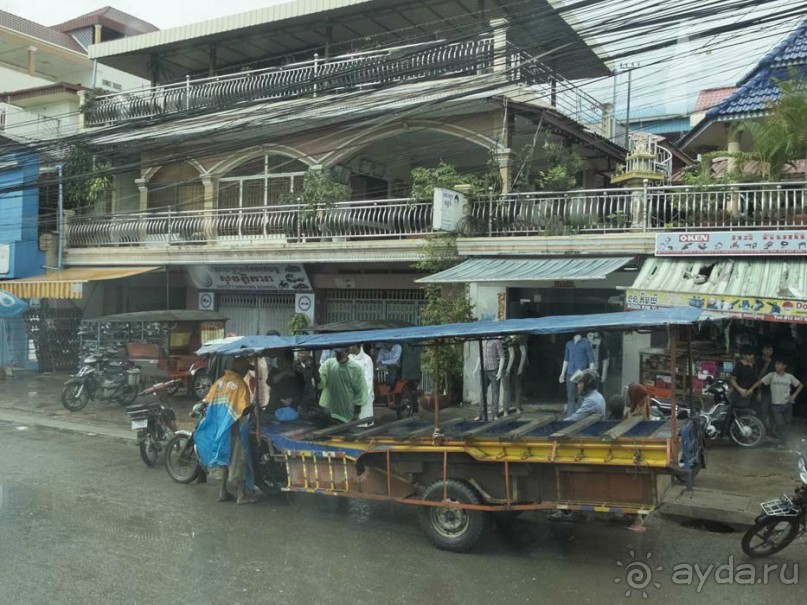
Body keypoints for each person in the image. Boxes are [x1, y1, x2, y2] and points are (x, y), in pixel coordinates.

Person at [195, 357, 260, 505]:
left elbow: (208, 401)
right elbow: (244, 409)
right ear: (243, 370)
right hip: (235, 428)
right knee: (239, 459)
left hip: (219, 429)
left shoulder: (219, 382)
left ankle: (222, 492)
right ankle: (241, 495)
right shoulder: (240, 384)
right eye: (246, 369)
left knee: (222, 458)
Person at [751, 358, 803, 445]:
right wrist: (751, 389)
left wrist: (794, 395)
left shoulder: (789, 377)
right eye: (776, 364)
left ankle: (784, 441)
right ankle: (783, 441)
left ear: (784, 366)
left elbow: (800, 385)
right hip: (776, 405)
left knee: (786, 424)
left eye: (779, 364)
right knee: (780, 423)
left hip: (787, 404)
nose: (776, 366)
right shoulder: (771, 375)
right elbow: (760, 382)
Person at [319, 348, 366, 424]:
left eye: (341, 353)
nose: (339, 356)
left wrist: (357, 412)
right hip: (327, 410)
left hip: (345, 412)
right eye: (337, 353)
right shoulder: (328, 364)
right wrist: (317, 378)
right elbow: (320, 384)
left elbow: (360, 392)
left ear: (348, 353)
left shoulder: (355, 369)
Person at [559, 334, 595, 417]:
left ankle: (579, 417)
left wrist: (590, 374)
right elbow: (566, 359)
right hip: (570, 373)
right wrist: (562, 373)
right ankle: (570, 417)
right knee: (570, 396)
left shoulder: (585, 344)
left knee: (581, 396)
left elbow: (591, 360)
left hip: (581, 374)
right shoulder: (568, 344)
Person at [349, 344, 375, 427]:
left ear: (357, 346)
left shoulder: (367, 360)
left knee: (364, 422)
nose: (350, 348)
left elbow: (368, 381)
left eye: (351, 346)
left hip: (364, 396)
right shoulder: (348, 358)